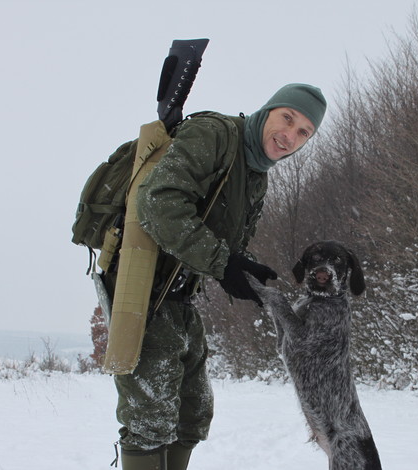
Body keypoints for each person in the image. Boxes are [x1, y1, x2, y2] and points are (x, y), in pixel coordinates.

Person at [112, 83, 327, 470]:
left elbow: (220, 237)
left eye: (303, 133)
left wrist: (240, 266)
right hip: (143, 285)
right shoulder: (215, 134)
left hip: (179, 295)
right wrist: (223, 263)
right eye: (288, 118)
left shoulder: (256, 172)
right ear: (269, 110)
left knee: (193, 413)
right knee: (150, 417)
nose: (289, 136)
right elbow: (157, 203)